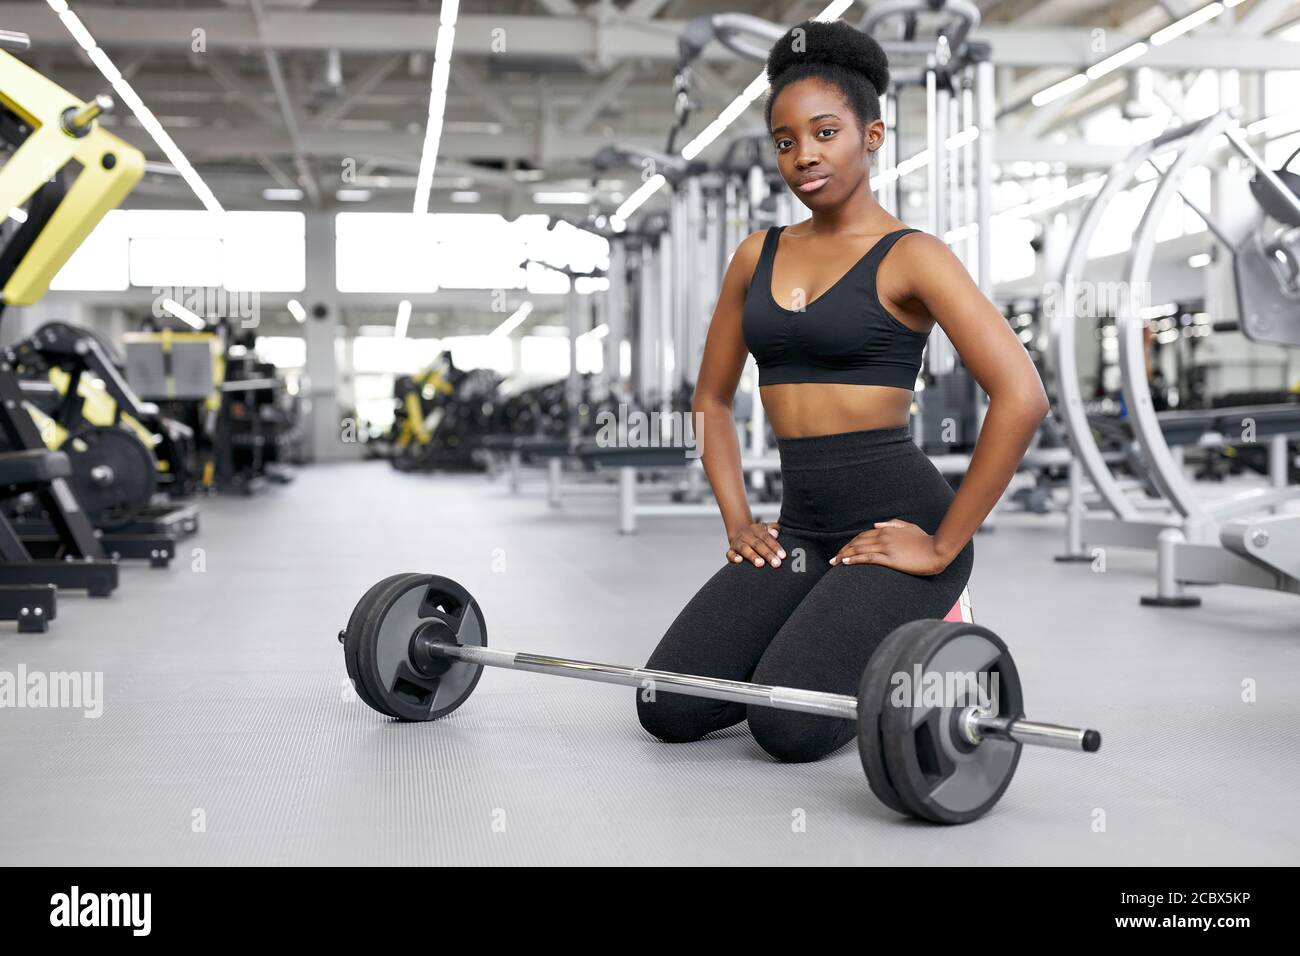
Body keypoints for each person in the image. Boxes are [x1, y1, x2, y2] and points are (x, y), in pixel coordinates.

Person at [635, 18, 1049, 763]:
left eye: (825, 132)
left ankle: (937, 609)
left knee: (787, 730)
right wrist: (737, 520)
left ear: (873, 135)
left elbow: (1021, 394)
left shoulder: (913, 257)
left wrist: (945, 540)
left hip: (896, 529)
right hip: (799, 530)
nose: (804, 156)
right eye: (786, 141)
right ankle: (823, 633)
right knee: (666, 706)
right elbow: (711, 400)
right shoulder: (755, 254)